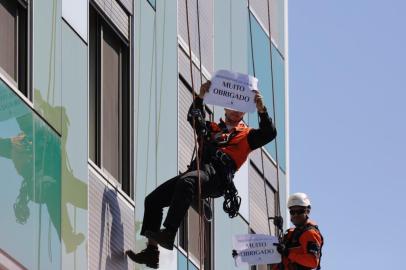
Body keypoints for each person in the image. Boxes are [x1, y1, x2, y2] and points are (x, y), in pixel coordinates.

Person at [126, 81, 277, 268]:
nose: (237, 112)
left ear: (245, 113)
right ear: (225, 107)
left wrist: (262, 110)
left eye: (241, 109)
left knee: (187, 182)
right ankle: (151, 252)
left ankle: (169, 233)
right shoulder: (211, 129)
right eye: (233, 107)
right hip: (198, 171)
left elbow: (269, 133)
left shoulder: (247, 135)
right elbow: (192, 116)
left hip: (217, 177)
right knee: (153, 200)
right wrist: (200, 96)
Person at [273, 193, 324, 270]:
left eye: (300, 211)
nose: (296, 215)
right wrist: (279, 229)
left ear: (307, 211)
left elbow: (312, 262)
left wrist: (288, 253)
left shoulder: (310, 233)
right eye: (292, 212)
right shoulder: (290, 234)